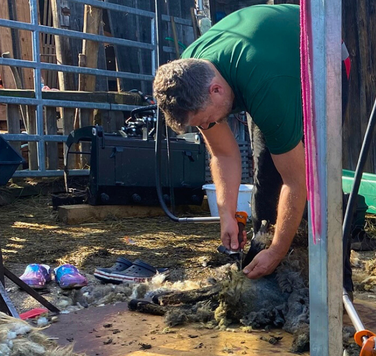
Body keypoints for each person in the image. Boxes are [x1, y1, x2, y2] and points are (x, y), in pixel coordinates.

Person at [153, 5, 358, 289]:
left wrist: (278, 251)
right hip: (265, 63)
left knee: (319, 174)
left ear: (216, 90)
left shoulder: (265, 88)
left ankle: (337, 283)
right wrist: (226, 214)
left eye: (207, 121)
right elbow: (223, 154)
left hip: (323, 59)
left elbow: (297, 181)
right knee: (266, 170)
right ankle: (267, 276)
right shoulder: (191, 74)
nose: (209, 125)